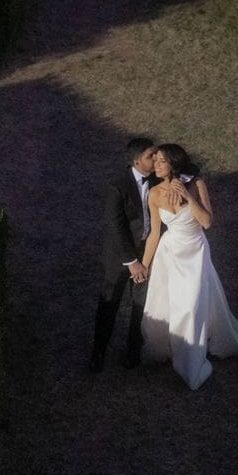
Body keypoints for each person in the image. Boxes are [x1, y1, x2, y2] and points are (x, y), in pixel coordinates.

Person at [140, 143, 238, 391]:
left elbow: (207, 222)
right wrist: (145, 265)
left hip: (195, 253)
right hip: (170, 254)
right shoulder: (154, 194)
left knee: (190, 305)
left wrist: (189, 198)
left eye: (161, 161)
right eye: (155, 160)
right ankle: (171, 348)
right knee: (171, 304)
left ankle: (190, 362)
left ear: (174, 164)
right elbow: (155, 233)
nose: (156, 165)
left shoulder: (196, 184)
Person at [89, 135, 157, 372]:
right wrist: (132, 261)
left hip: (147, 254)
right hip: (120, 258)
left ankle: (133, 351)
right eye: (151, 156)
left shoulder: (158, 180)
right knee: (110, 304)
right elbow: (115, 226)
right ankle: (98, 353)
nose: (156, 158)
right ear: (137, 161)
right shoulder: (118, 187)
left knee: (141, 304)